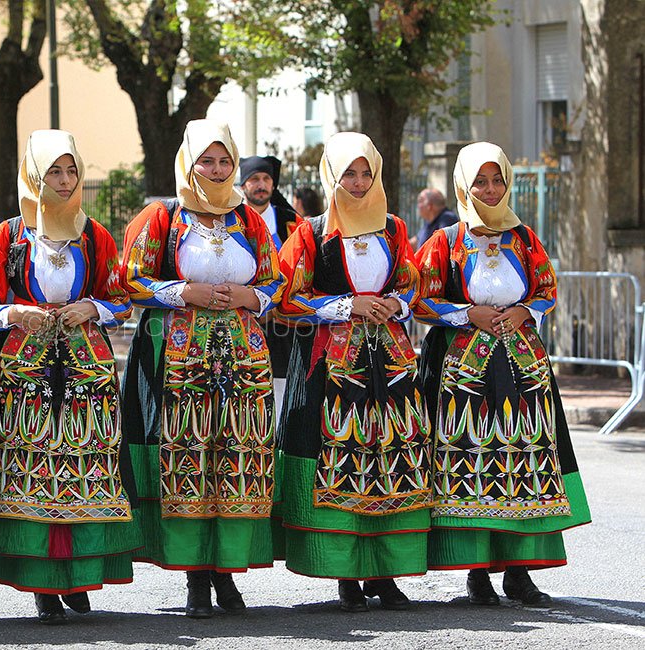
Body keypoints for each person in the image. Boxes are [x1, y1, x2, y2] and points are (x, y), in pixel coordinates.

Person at [0, 130, 139, 625]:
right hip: (24, 370)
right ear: (32, 177)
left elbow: (122, 295)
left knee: (87, 465)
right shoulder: (8, 236)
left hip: (87, 367)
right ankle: (42, 582)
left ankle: (79, 572)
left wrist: (93, 306)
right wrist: (14, 313)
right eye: (53, 173)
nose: (65, 182)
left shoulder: (95, 234)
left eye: (71, 172)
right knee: (31, 469)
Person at [415, 142, 591, 607]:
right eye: (480, 181)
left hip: (522, 366)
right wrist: (465, 313)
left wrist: (526, 310)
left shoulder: (525, 238)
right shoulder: (446, 241)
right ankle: (476, 572)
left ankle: (519, 571)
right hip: (462, 373)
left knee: (523, 462)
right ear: (463, 185)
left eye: (497, 180)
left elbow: (548, 288)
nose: (490, 189)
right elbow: (421, 299)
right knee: (471, 463)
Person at [121, 119, 284, 618]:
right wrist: (182, 292)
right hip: (180, 359)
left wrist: (249, 295)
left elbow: (279, 281)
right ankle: (195, 579)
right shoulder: (162, 217)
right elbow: (129, 279)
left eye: (224, 161)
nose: (216, 171)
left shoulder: (249, 220)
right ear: (188, 164)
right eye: (206, 161)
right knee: (189, 460)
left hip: (243, 359)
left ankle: (228, 574)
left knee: (237, 459)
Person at [275, 132, 432, 612]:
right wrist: (346, 305)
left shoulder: (394, 229)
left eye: (366, 172)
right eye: (349, 172)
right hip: (332, 363)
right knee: (340, 458)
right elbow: (286, 298)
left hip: (391, 362)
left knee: (392, 459)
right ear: (332, 176)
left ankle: (385, 573)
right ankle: (345, 572)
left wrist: (394, 302)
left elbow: (411, 283)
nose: (359, 182)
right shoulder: (311, 231)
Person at [240, 155, 301, 394]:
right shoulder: (232, 218)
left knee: (281, 390)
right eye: (254, 179)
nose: (261, 184)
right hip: (244, 320)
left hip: (284, 325)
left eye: (266, 178)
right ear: (243, 185)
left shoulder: (292, 223)